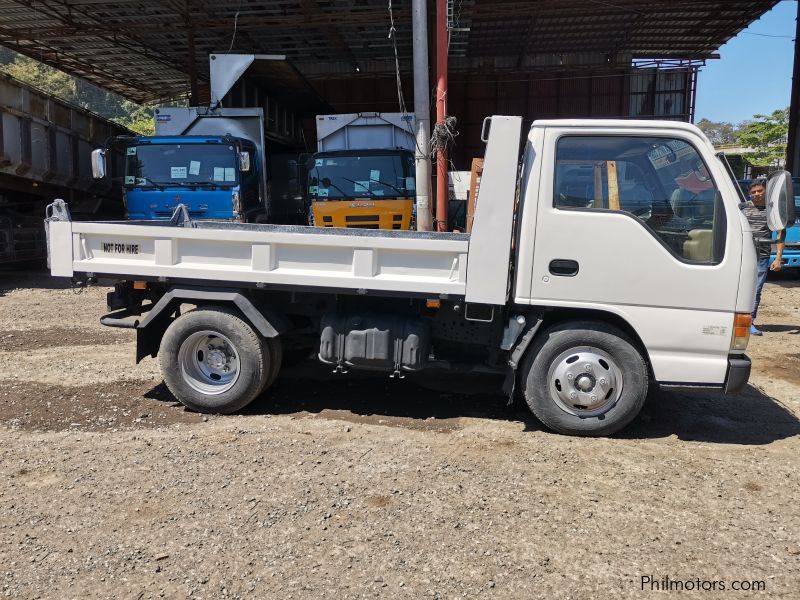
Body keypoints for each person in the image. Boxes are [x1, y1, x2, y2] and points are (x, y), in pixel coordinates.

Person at [740, 178, 785, 335]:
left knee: (756, 290)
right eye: (753, 192)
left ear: (766, 191)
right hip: (742, 255)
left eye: (760, 191)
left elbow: (780, 233)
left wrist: (778, 258)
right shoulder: (742, 208)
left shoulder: (773, 210)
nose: (757, 194)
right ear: (749, 194)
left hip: (762, 256)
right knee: (738, 288)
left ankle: (749, 322)